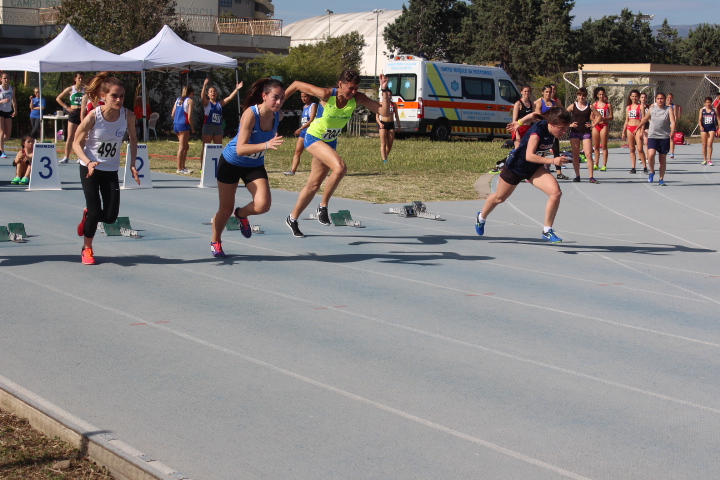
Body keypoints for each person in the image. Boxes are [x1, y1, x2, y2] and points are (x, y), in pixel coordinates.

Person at [282, 70, 391, 238]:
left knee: (313, 185)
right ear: (340, 84)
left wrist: (384, 90)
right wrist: (276, 105)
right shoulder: (326, 94)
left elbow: (384, 112)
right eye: (350, 88)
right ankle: (323, 206)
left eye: (356, 88)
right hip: (314, 137)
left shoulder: (357, 98)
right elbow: (296, 84)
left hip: (330, 142)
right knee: (340, 168)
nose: (353, 92)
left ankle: (292, 218)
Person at [209, 78, 285, 258]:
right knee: (225, 209)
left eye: (282, 98)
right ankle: (216, 241)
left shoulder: (278, 115)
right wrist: (266, 145)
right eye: (275, 97)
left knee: (263, 205)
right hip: (231, 163)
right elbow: (240, 149)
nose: (279, 102)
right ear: (264, 96)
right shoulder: (250, 114)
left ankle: (241, 214)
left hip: (254, 165)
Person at [73, 72, 139, 265]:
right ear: (103, 96)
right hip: (90, 169)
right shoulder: (94, 116)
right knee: (95, 211)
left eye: (122, 96)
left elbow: (134, 139)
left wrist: (133, 164)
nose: (119, 100)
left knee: (110, 217)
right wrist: (88, 161)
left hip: (110, 170)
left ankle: (88, 216)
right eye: (114, 96)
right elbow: (76, 143)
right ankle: (87, 249)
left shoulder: (128, 116)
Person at [478, 107, 571, 243]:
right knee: (499, 198)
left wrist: (519, 123)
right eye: (562, 128)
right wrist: (553, 161)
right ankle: (481, 218)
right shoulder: (537, 132)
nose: (564, 132)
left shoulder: (549, 123)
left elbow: (534, 114)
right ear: (551, 124)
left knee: (556, 193)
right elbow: (529, 156)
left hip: (534, 168)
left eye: (566, 128)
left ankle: (547, 230)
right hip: (516, 167)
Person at [200, 78, 242, 170]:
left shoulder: (219, 103)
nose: (213, 93)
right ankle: (202, 168)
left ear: (217, 94)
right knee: (206, 147)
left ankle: (218, 167)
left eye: (214, 91)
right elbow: (202, 97)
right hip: (208, 127)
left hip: (218, 128)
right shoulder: (207, 103)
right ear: (208, 94)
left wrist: (237, 89)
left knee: (218, 147)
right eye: (211, 91)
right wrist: (204, 86)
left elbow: (229, 98)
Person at [637, 92, 675, 186]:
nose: (660, 100)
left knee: (662, 160)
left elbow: (672, 121)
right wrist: (638, 127)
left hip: (664, 137)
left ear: (665, 99)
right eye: (658, 99)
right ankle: (652, 171)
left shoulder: (669, 109)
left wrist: (672, 131)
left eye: (662, 98)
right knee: (651, 155)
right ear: (656, 99)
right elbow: (645, 119)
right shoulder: (652, 109)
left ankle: (661, 179)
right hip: (653, 135)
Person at [565, 87, 600, 183]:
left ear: (586, 96)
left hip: (585, 132)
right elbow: (563, 114)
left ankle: (591, 177)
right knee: (575, 155)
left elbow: (599, 116)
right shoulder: (573, 105)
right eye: (580, 95)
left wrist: (593, 125)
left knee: (588, 154)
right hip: (575, 132)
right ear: (577, 95)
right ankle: (577, 176)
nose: (581, 97)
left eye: (583, 95)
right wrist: (569, 124)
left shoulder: (590, 106)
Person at [534, 85, 567, 180]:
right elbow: (537, 115)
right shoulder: (540, 102)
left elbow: (561, 111)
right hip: (543, 129)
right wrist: (548, 117)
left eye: (550, 92)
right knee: (540, 151)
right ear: (543, 93)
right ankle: (537, 171)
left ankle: (559, 173)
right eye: (547, 92)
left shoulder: (554, 103)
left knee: (556, 150)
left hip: (552, 130)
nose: (548, 94)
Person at [285, 92, 318, 175]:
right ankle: (292, 171)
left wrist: (300, 128)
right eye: (302, 97)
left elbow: (311, 120)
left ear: (309, 96)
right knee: (297, 151)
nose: (303, 99)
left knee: (315, 153)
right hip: (303, 131)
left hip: (311, 131)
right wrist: (302, 129)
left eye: (305, 96)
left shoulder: (313, 105)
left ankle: (316, 171)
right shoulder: (304, 107)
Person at [56, 72, 85, 163]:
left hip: (82, 113)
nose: (80, 80)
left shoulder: (85, 89)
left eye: (82, 78)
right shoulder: (70, 89)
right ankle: (66, 157)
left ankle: (80, 157)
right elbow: (58, 98)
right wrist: (66, 107)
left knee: (82, 136)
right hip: (73, 112)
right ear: (75, 79)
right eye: (79, 78)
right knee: (70, 136)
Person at [621, 90, 647, 174]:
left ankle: (645, 167)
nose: (634, 98)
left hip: (638, 128)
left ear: (638, 97)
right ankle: (633, 167)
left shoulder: (641, 107)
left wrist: (642, 131)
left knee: (640, 149)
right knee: (632, 149)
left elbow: (643, 120)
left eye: (636, 96)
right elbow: (626, 120)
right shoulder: (628, 108)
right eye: (633, 96)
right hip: (630, 128)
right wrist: (623, 131)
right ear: (630, 97)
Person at [172, 86, 195, 174]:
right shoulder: (190, 101)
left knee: (186, 146)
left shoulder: (178, 100)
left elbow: (172, 114)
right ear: (191, 93)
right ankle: (179, 168)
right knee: (181, 147)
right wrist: (192, 128)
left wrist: (177, 120)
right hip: (183, 125)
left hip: (176, 124)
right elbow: (189, 117)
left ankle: (183, 166)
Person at [592, 87, 613, 172]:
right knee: (596, 146)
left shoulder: (608, 105)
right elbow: (591, 116)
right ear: (597, 95)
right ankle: (596, 164)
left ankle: (604, 165)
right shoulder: (594, 105)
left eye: (603, 94)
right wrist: (595, 120)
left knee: (604, 146)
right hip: (596, 126)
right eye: (600, 94)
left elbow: (611, 117)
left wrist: (603, 118)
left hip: (604, 125)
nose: (601, 96)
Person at [377, 98, 401, 163]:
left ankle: (385, 156)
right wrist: (380, 123)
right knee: (383, 143)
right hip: (383, 124)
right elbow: (377, 116)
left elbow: (396, 116)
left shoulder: (394, 104)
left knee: (390, 144)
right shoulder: (381, 104)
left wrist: (399, 126)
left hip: (391, 124)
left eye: (390, 95)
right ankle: (384, 160)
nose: (388, 97)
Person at [0, 73, 18, 158]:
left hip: (8, 111)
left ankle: (0, 143)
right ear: (1, 79)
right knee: (2, 131)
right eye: (4, 78)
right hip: (0, 111)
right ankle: (1, 151)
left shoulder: (12, 88)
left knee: (7, 134)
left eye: (7, 78)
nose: (6, 80)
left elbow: (13, 99)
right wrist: (2, 101)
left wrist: (15, 110)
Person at [698, 96, 717, 166]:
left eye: (709, 102)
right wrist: (701, 126)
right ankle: (704, 160)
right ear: (704, 103)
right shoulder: (702, 110)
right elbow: (699, 120)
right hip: (704, 128)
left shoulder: (714, 110)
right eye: (707, 102)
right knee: (704, 144)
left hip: (712, 128)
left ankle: (709, 160)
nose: (708, 104)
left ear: (711, 103)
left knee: (709, 144)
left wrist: (718, 127)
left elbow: (718, 119)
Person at [666, 92, 682, 158]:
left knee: (671, 138)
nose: (670, 99)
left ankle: (672, 152)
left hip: (671, 122)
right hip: (665, 123)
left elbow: (675, 115)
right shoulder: (664, 105)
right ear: (666, 98)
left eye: (671, 98)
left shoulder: (673, 106)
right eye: (668, 97)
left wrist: (674, 124)